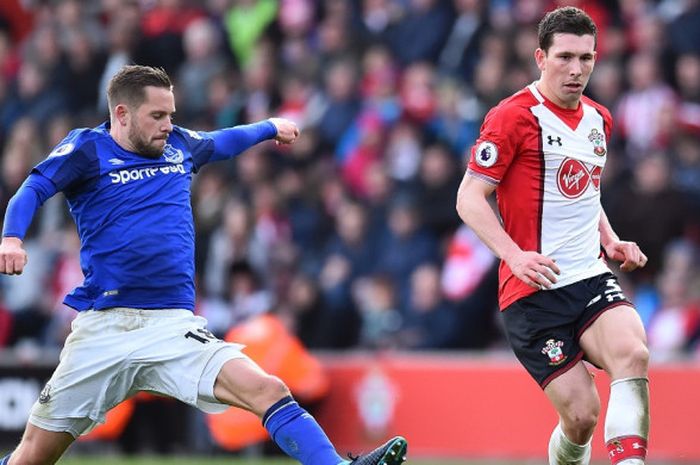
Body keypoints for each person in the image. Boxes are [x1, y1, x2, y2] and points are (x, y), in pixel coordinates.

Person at [0, 65, 408, 465]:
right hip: (107, 327)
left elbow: (223, 140)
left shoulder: (179, 144)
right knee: (33, 457)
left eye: (171, 114)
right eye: (157, 115)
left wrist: (268, 127)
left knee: (267, 388)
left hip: (173, 326)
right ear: (121, 114)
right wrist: (12, 238)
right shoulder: (87, 148)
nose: (167, 124)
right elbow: (34, 188)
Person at [456, 7, 649, 465]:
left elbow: (585, 188)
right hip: (532, 290)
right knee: (582, 415)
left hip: (587, 274)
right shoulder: (511, 117)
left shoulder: (599, 119)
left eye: (586, 58)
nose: (576, 69)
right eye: (565, 57)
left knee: (633, 352)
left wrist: (610, 238)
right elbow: (468, 198)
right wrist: (514, 255)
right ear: (540, 58)